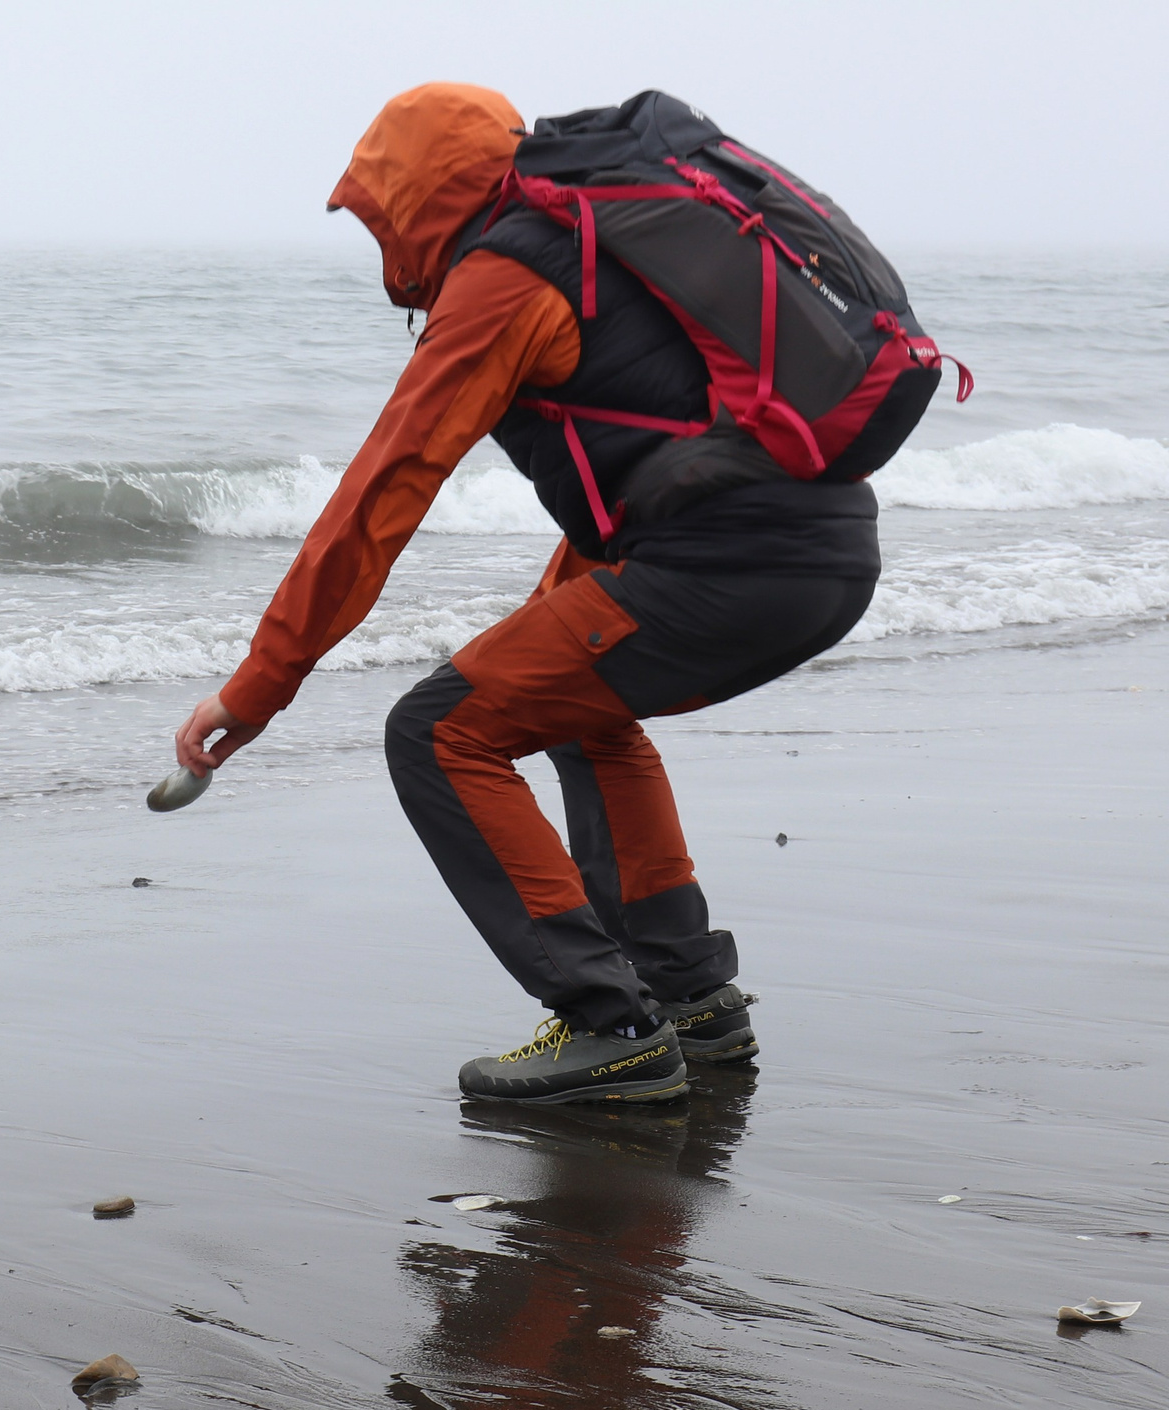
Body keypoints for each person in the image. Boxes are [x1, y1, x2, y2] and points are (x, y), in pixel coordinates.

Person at [174, 83, 883, 1104]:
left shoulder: (506, 275)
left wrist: (259, 685)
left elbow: (383, 490)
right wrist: (558, 609)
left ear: (416, 194)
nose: (379, 242)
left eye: (379, 213)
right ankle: (690, 1003)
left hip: (733, 566)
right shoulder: (605, 244)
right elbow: (660, 452)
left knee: (435, 733)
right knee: (578, 715)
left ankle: (612, 1026)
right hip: (820, 551)